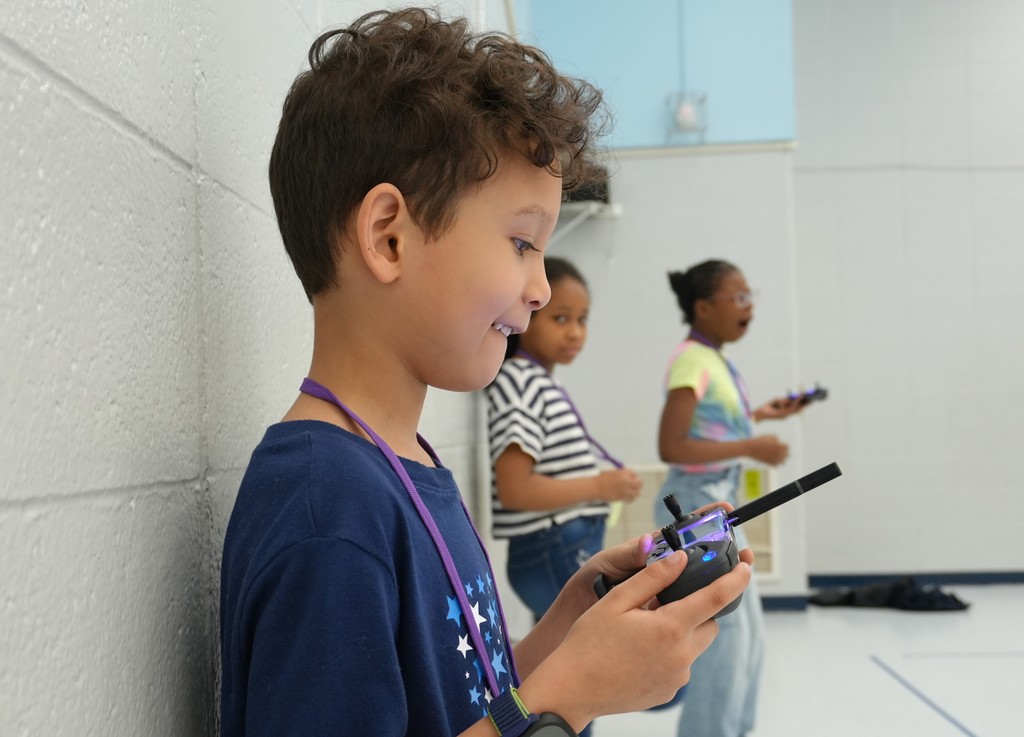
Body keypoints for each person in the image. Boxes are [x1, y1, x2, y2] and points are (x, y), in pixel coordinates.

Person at [219, 10, 754, 737]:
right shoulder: (329, 516)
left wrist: (572, 624)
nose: (540, 288)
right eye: (522, 242)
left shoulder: (399, 464)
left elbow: (468, 709)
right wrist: (571, 696)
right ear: (389, 237)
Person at [486, 257, 642, 736]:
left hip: (558, 545)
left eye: (582, 319)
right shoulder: (521, 382)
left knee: (567, 668)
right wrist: (600, 486)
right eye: (560, 318)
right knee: (580, 671)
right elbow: (515, 488)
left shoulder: (538, 381)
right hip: (551, 546)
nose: (575, 332)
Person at [654, 259, 805, 737]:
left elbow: (711, 427)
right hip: (698, 504)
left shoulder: (714, 359)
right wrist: (751, 446)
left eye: (749, 297)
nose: (749, 307)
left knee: (748, 638)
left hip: (718, 502)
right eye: (738, 298)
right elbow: (672, 445)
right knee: (726, 640)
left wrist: (762, 416)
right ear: (703, 307)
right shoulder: (691, 360)